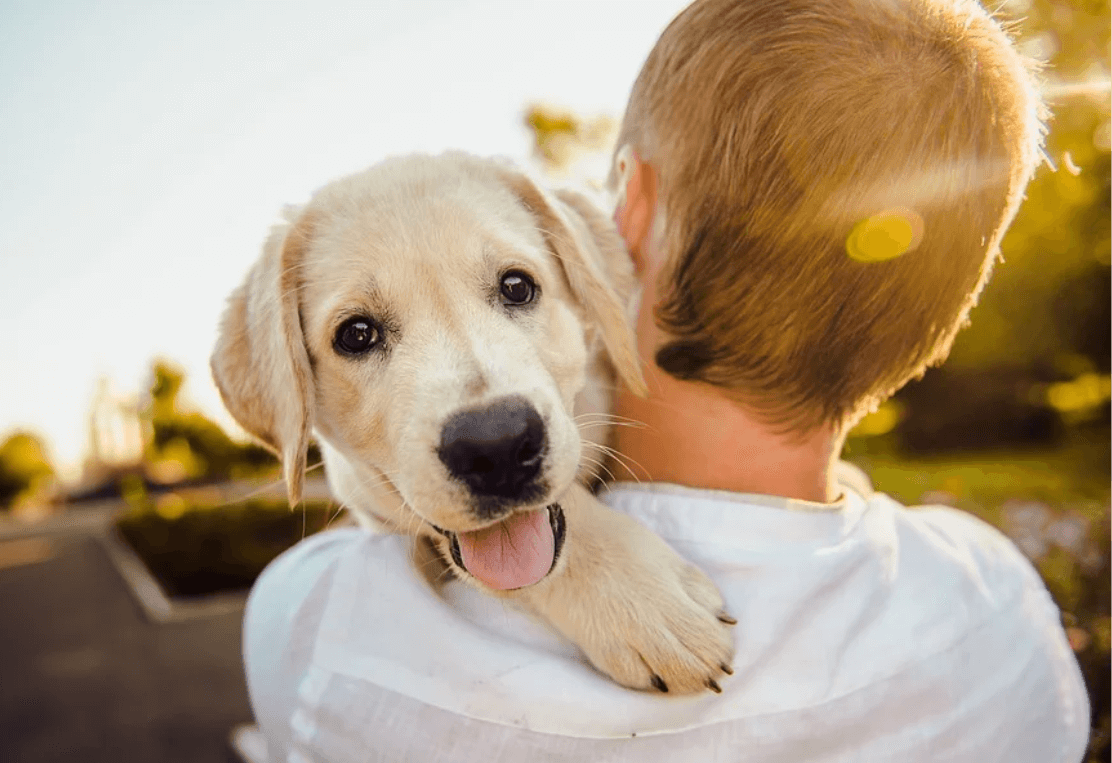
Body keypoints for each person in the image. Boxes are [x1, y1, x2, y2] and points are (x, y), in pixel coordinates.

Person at [239, 0, 1091, 760]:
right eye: (360, 333)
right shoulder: (1003, 608)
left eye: (515, 288)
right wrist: (577, 552)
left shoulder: (322, 632)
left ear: (626, 216)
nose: (485, 409)